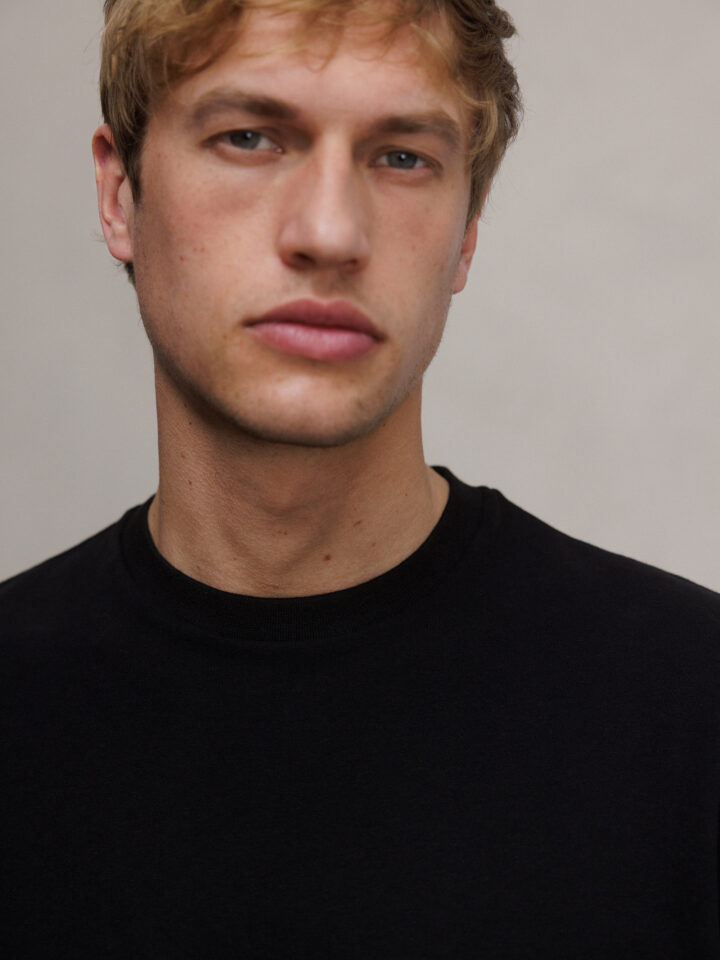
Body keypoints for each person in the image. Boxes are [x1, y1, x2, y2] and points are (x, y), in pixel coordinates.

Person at [1, 0, 718, 956]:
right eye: (249, 137)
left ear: (466, 234)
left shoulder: (692, 707)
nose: (330, 231)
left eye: (402, 156)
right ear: (119, 195)